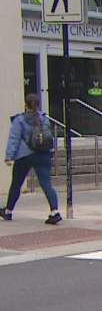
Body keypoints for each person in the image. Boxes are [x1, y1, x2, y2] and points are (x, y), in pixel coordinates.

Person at [3, 94, 61, 225]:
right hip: (43, 155)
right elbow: (49, 137)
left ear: (25, 105)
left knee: (16, 183)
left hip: (25, 156)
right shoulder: (44, 119)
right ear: (38, 105)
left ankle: (8, 211)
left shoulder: (19, 120)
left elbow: (14, 139)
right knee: (47, 184)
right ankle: (54, 211)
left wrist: (9, 156)